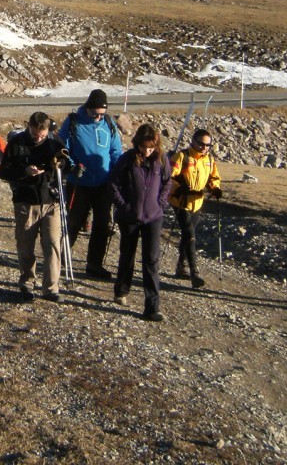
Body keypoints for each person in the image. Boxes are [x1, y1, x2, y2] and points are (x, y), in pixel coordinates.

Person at [0, 112, 72, 302]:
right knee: (26, 245)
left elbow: (67, 164)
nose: (39, 138)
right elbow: (4, 171)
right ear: (29, 127)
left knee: (53, 245)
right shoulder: (16, 144)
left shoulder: (54, 143)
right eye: (35, 134)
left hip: (51, 201)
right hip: (26, 201)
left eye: (42, 134)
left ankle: (51, 288)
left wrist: (61, 164)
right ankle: (27, 282)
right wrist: (24, 171)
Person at [58, 89, 123, 279]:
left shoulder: (108, 124)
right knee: (74, 221)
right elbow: (63, 149)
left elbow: (116, 151)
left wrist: (119, 172)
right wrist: (70, 167)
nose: (97, 117)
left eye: (101, 114)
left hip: (103, 182)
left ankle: (94, 264)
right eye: (95, 112)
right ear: (87, 108)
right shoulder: (73, 122)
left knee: (102, 225)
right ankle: (62, 258)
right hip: (79, 182)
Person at [109, 123, 172, 322]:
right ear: (137, 143)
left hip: (153, 217)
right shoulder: (126, 160)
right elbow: (113, 184)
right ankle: (122, 290)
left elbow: (167, 183)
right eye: (144, 146)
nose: (147, 151)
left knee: (151, 261)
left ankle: (152, 306)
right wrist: (123, 205)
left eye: (151, 147)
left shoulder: (161, 160)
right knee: (127, 255)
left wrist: (160, 203)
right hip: (130, 217)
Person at [169, 128, 222, 290]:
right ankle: (194, 272)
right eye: (201, 144)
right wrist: (178, 188)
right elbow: (169, 176)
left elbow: (213, 178)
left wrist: (215, 188)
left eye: (208, 145)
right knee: (189, 233)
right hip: (181, 202)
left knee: (188, 234)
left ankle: (181, 265)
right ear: (193, 141)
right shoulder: (182, 156)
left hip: (197, 202)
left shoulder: (209, 160)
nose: (204, 148)